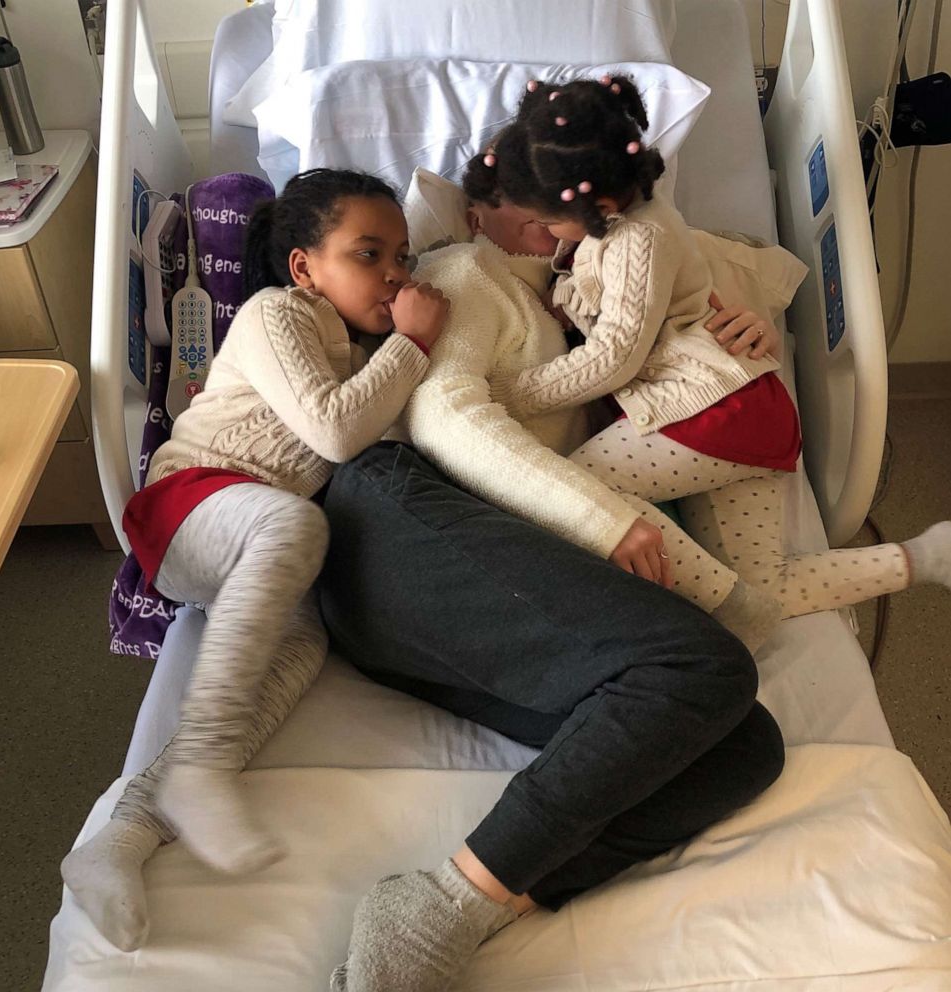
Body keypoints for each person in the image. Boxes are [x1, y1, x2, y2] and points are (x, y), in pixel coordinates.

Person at [324, 170, 786, 988]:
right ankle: (442, 904)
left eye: (568, 202)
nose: (553, 214)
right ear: (475, 215)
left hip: (476, 592)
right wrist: (603, 523)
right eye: (527, 194)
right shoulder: (465, 272)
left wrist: (738, 332)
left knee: (742, 746)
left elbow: (667, 340)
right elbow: (447, 417)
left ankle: (500, 899)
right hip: (399, 518)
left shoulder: (593, 294)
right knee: (703, 665)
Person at [60, 168, 449, 951]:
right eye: (368, 254)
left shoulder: (366, 352)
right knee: (293, 530)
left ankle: (120, 840)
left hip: (253, 539)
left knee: (303, 649)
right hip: (191, 500)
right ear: (305, 266)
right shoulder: (277, 314)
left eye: (403, 255)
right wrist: (411, 344)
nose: (396, 273)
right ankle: (201, 772)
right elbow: (334, 433)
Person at [467, 73, 951, 625]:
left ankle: (726, 612)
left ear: (597, 203)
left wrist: (499, 395)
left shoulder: (638, 239)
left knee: (578, 495)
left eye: (548, 220)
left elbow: (612, 359)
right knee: (770, 584)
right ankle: (924, 557)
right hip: (743, 410)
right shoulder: (613, 234)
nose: (547, 233)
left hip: (714, 412)